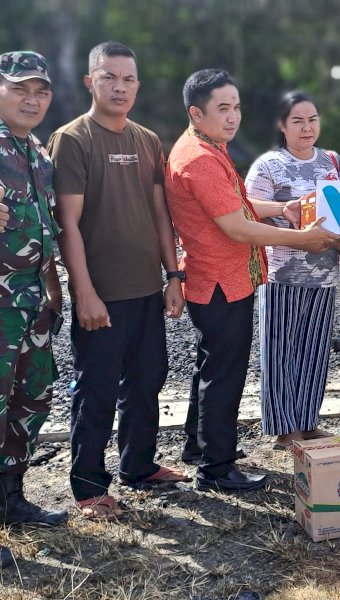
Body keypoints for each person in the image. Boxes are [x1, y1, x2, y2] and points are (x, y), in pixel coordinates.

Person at [166, 71, 336, 491]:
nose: (232, 116)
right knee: (224, 374)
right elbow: (237, 226)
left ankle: (198, 445)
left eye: (236, 106)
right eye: (222, 108)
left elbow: (237, 204)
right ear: (196, 111)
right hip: (220, 280)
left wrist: (284, 207)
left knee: (211, 366)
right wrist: (300, 237)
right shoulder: (201, 159)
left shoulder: (206, 145)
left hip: (221, 277)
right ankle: (216, 468)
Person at [49, 41, 189, 520]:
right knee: (97, 390)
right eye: (110, 77)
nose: (120, 87)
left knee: (148, 380)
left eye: (129, 79)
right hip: (101, 294)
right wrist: (83, 293)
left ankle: (139, 465)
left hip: (148, 288)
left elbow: (160, 214)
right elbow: (68, 224)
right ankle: (88, 487)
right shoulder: (73, 139)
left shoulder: (147, 140)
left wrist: (174, 275)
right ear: (91, 81)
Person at [244, 91, 340, 451]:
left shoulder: (332, 161)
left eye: (313, 119)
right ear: (282, 125)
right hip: (282, 273)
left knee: (314, 351)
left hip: (324, 274)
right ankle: (285, 430)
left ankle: (307, 421)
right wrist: (282, 208)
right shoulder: (269, 165)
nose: (307, 127)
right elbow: (244, 207)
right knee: (280, 352)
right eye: (298, 121)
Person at [0, 50, 68, 550]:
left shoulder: (38, 156)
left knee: (31, 399)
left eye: (40, 90)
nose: (32, 99)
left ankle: (12, 499)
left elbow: (46, 233)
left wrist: (55, 293)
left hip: (34, 305)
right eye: (19, 89)